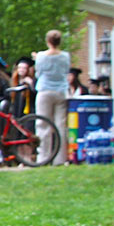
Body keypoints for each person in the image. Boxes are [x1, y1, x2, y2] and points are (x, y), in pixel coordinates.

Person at [33, 30, 71, 163]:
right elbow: (66, 71)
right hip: (61, 91)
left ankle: (43, 157)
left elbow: (38, 73)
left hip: (44, 90)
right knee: (60, 124)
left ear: (48, 41)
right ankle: (60, 159)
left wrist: (36, 58)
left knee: (43, 124)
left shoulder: (41, 56)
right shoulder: (65, 56)